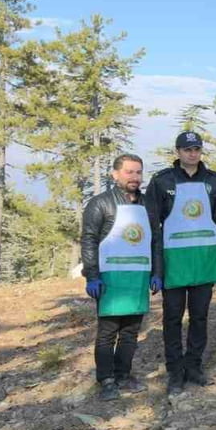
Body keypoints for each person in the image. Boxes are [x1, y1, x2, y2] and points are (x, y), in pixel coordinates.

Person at [145, 131, 216, 396]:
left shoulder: (214, 181)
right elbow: (152, 225)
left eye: (196, 149)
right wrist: (155, 267)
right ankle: (175, 371)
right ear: (178, 152)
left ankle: (194, 366)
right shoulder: (162, 181)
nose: (192, 154)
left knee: (200, 316)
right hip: (173, 262)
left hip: (205, 260)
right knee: (172, 318)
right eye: (187, 149)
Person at [81, 154, 154, 401]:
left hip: (138, 276)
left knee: (131, 331)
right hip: (110, 277)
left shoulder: (147, 204)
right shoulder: (100, 203)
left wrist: (158, 273)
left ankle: (124, 374)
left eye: (138, 172)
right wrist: (92, 275)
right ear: (115, 174)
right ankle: (106, 380)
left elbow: (153, 239)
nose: (134, 177)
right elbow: (89, 239)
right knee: (108, 332)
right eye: (129, 172)